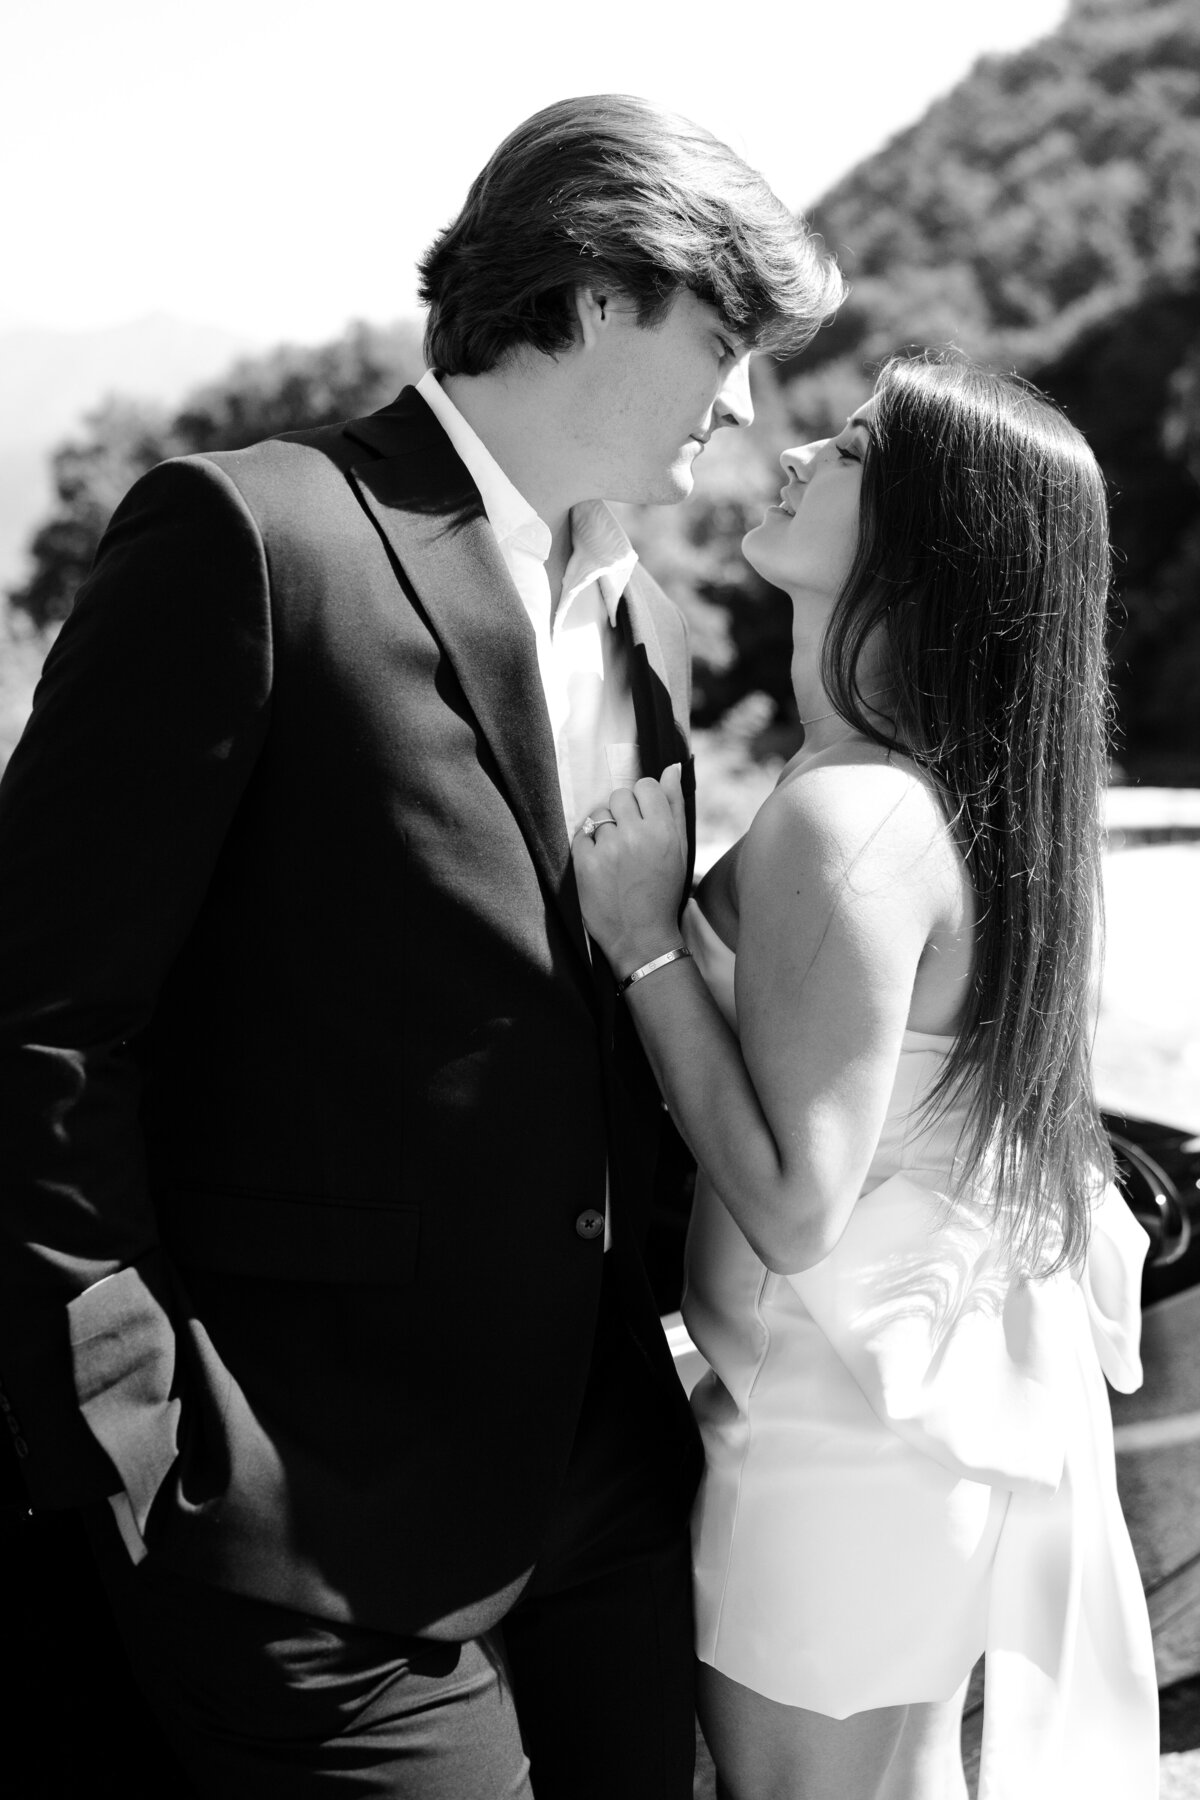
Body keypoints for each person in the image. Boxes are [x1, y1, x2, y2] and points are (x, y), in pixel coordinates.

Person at [0, 95, 843, 1798]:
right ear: (601, 292)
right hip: (297, 1519)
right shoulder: (252, 537)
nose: (743, 401)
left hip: (602, 1489)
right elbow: (41, 1012)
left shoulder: (643, 624)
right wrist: (132, 1424)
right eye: (724, 335)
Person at [574, 353, 1160, 1800]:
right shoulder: (945, 803)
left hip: (844, 1450)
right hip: (884, 1436)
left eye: (849, 450)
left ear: (932, 534)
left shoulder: (854, 819)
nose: (796, 453)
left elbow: (794, 1201)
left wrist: (645, 949)